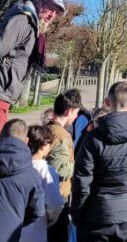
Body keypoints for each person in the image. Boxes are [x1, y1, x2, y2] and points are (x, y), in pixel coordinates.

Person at [0, 0, 66, 155]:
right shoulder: (23, 21)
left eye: (56, 12)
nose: (52, 15)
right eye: (50, 8)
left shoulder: (32, 25)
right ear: (39, 3)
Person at [72, 81, 127, 242]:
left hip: (97, 214)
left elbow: (81, 180)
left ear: (106, 103)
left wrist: (77, 214)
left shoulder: (93, 137)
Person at [46, 90, 81, 242]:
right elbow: (59, 169)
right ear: (69, 111)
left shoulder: (47, 128)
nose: (76, 117)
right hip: (58, 195)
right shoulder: (62, 135)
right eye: (76, 113)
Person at [22, 126, 65, 242]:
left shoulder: (17, 165)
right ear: (43, 145)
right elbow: (54, 203)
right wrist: (50, 220)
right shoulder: (46, 170)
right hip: (35, 228)